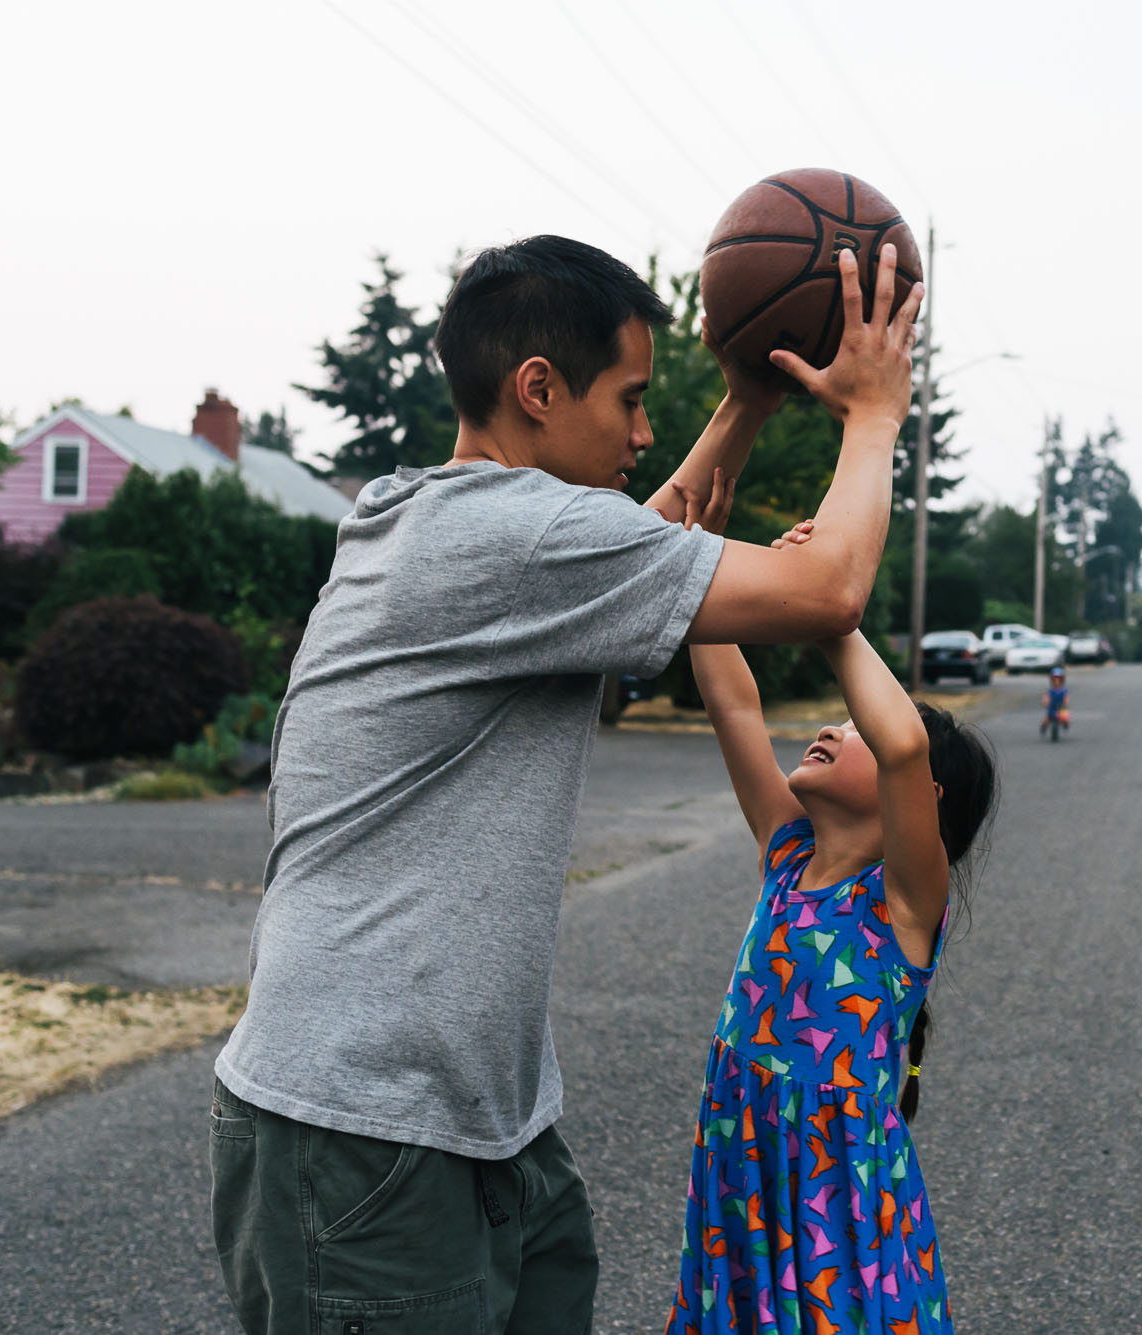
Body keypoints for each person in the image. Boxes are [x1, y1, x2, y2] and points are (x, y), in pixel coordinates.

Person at [208, 235, 921, 1335]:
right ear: (537, 389)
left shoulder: (447, 517)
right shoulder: (513, 537)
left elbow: (644, 542)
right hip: (365, 1130)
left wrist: (744, 401)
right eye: (632, 402)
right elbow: (826, 590)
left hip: (485, 1119)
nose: (646, 432)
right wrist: (872, 415)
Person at [668, 530, 999, 1334]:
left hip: (835, 1210)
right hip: (743, 1178)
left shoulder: (904, 904)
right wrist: (693, 557)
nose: (832, 727)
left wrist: (832, 613)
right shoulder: (786, 855)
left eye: (854, 726)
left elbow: (903, 739)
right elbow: (733, 698)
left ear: (924, 795)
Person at [1043, 665, 1069, 738]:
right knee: (1046, 720)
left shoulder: (1064, 690)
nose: (1056, 681)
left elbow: (1066, 697)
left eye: (1059, 679)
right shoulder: (1050, 690)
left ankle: (1065, 724)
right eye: (1054, 679)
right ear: (1052, 680)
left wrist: (1066, 702)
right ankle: (1043, 727)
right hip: (1052, 707)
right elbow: (1047, 697)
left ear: (1062, 680)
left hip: (1061, 707)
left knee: (1065, 718)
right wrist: (1046, 702)